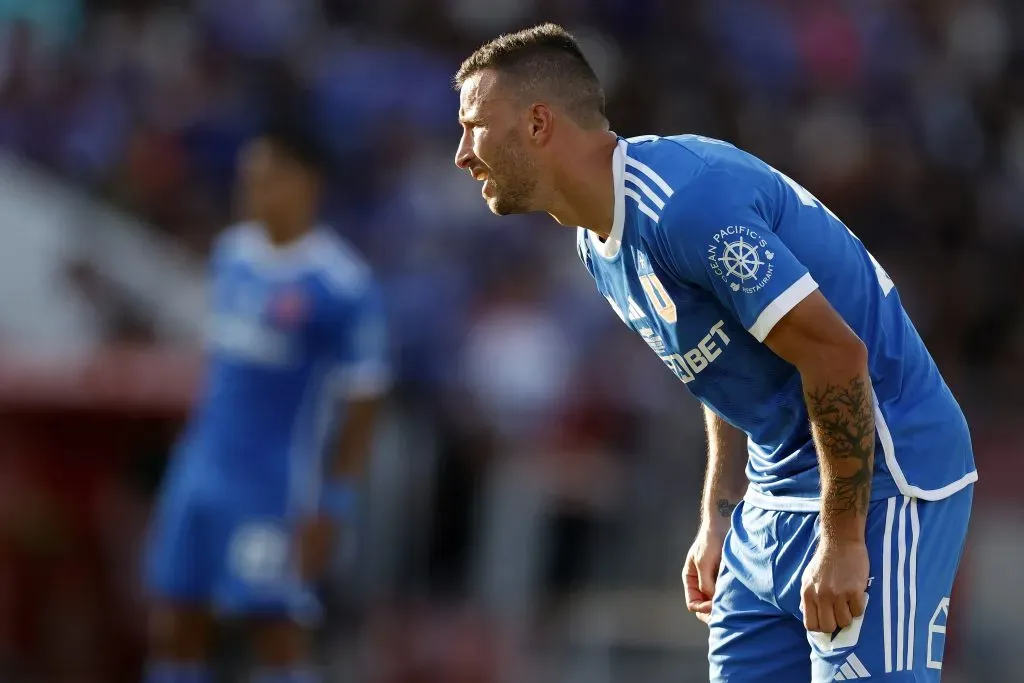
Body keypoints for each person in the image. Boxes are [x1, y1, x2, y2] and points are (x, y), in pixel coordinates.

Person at [452, 23, 977, 682]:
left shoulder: (684, 202)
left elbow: (837, 355)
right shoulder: (595, 239)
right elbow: (719, 365)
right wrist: (720, 510)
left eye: (473, 125)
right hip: (772, 493)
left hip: (884, 478)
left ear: (536, 123)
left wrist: (844, 541)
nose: (462, 153)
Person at [142, 110, 390, 683]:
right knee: (174, 622)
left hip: (274, 485)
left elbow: (364, 401)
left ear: (307, 181)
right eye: (246, 175)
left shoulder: (340, 285)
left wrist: (336, 503)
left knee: (274, 632)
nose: (250, 188)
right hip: (200, 472)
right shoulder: (231, 256)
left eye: (267, 175)